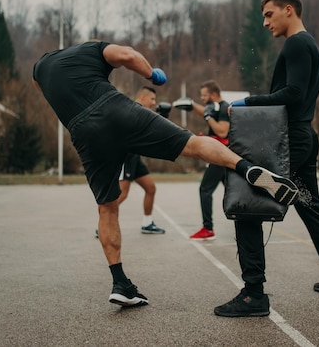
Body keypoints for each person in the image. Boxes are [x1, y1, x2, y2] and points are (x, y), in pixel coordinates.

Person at [32, 40, 299, 308]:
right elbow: (127, 55)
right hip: (114, 110)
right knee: (192, 144)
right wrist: (151, 74)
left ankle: (120, 283)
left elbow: (44, 90)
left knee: (107, 208)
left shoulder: (39, 70)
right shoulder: (87, 49)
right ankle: (245, 167)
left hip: (84, 133)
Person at [214, 0, 319, 318]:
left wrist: (246, 102)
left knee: (247, 204)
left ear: (288, 10)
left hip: (291, 141)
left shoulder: (297, 43)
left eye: (269, 14)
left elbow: (292, 93)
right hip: (303, 137)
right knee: (307, 204)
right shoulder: (308, 44)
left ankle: (253, 294)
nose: (264, 22)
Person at [94, 86, 166, 236]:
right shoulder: (132, 110)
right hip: (125, 157)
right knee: (123, 193)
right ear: (143, 97)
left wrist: (163, 118)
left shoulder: (140, 111)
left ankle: (147, 224)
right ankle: (102, 224)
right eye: (152, 99)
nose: (154, 102)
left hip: (134, 157)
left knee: (150, 188)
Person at [174, 80, 230, 241]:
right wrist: (192, 105)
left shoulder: (224, 107)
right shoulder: (216, 107)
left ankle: (208, 228)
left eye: (204, 96)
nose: (202, 98)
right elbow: (207, 111)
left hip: (219, 156)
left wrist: (208, 117)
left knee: (205, 190)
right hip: (221, 155)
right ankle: (244, 219)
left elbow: (223, 132)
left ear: (213, 95)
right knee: (232, 190)